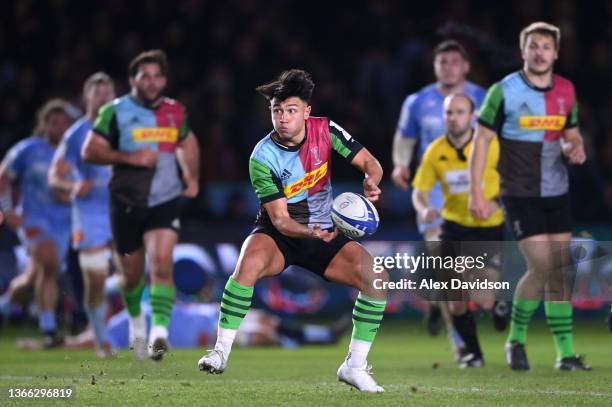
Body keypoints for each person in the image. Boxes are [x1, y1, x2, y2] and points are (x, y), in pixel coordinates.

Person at [197, 69, 388, 393]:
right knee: (248, 265)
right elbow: (282, 220)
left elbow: (371, 162)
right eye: (277, 111)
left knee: (376, 277)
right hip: (279, 233)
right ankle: (220, 352)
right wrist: (312, 232)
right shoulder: (262, 156)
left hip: (324, 228)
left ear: (306, 112)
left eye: (291, 110)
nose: (283, 118)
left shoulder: (325, 131)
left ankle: (353, 366)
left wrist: (372, 180)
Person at [469, 22, 591, 371]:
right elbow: (482, 142)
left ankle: (564, 354)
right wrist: (478, 191)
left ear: (555, 53)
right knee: (544, 265)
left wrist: (576, 148)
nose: (540, 52)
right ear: (523, 51)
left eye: (546, 47)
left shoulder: (566, 90)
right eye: (533, 46)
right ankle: (516, 339)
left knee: (558, 271)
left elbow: (573, 134)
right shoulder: (503, 91)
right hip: (519, 192)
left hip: (557, 191)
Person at [82, 49, 200, 361]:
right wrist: (129, 157)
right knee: (131, 276)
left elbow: (187, 142)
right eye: (144, 75)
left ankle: (160, 332)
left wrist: (191, 175)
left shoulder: (175, 111)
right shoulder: (114, 111)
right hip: (126, 202)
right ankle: (138, 326)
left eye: (156, 75)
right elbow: (90, 150)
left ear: (164, 79)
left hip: (165, 199)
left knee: (162, 261)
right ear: (133, 79)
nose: (151, 82)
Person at [391, 39, 491, 353]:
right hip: (434, 191)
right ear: (435, 67)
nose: (447, 67)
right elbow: (405, 137)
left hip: (474, 190)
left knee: (471, 271)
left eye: (453, 62)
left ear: (465, 66)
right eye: (441, 62)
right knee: (443, 259)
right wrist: (399, 165)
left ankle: (437, 298)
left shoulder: (483, 98)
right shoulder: (417, 101)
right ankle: (459, 339)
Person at [412, 93, 505, 368]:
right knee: (456, 299)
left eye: (460, 112)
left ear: (472, 116)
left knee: (483, 298)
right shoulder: (435, 150)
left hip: (488, 227)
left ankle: (497, 306)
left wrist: (495, 202)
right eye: (449, 113)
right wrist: (424, 208)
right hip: (453, 228)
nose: (454, 118)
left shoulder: (491, 145)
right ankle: (473, 354)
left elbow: (514, 179)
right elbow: (420, 190)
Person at [48, 72, 116, 358]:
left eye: (107, 92)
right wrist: (74, 185)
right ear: (87, 97)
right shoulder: (77, 134)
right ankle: (101, 340)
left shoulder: (123, 128)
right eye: (97, 93)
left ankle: (136, 337)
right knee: (96, 280)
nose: (103, 98)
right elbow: (55, 176)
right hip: (89, 215)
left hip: (121, 211)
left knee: (132, 276)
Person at [0, 99, 73, 347]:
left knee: (33, 279)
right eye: (55, 122)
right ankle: (49, 329)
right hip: (33, 219)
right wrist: (8, 211)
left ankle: (5, 305)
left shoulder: (76, 152)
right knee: (50, 265)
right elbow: (3, 176)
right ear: (45, 124)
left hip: (64, 224)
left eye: (65, 122)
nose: (60, 127)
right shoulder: (28, 149)